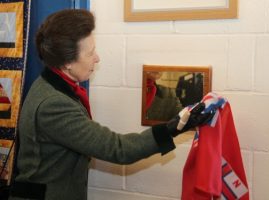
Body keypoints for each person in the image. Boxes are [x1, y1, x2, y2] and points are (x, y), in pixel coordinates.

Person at [9, 9, 213, 200]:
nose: (97, 58)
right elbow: (119, 149)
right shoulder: (54, 104)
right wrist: (171, 129)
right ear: (67, 63)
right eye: (90, 53)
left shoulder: (49, 83)